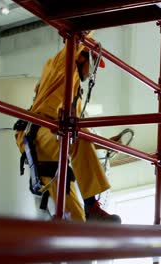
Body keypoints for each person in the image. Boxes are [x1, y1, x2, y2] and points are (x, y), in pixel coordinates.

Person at [14, 33, 121, 223]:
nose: (94, 71)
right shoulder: (60, 67)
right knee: (74, 133)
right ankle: (92, 206)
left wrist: (104, 144)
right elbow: (76, 38)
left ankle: (89, 213)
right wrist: (86, 30)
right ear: (81, 56)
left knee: (77, 221)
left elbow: (81, 136)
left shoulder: (75, 92)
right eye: (94, 62)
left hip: (54, 145)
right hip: (38, 134)